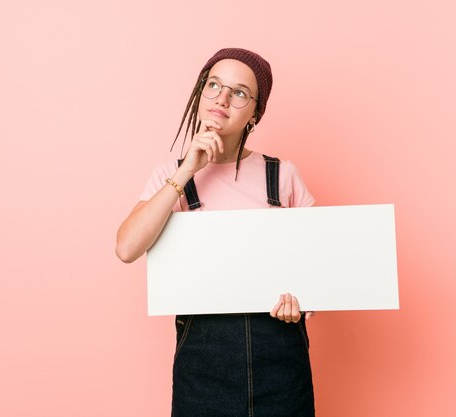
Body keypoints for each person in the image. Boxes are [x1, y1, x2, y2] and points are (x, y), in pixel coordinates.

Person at [116, 48, 316, 417]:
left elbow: (320, 273)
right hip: (202, 370)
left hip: (281, 366)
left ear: (255, 113)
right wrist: (185, 172)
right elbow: (127, 247)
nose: (222, 98)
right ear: (201, 91)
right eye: (214, 85)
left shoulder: (282, 175)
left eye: (239, 92)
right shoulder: (169, 177)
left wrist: (303, 305)